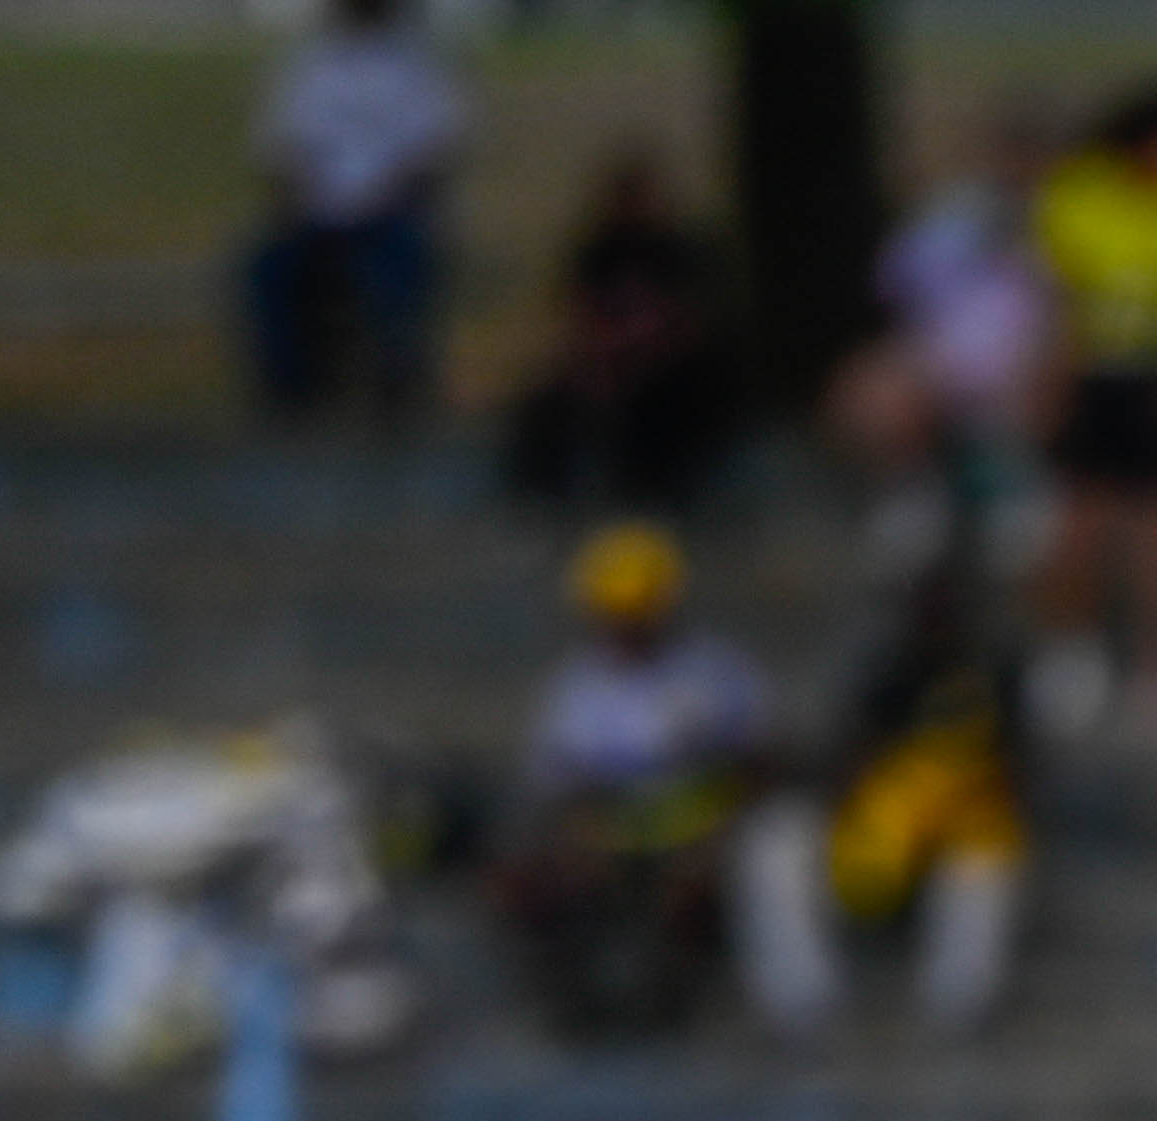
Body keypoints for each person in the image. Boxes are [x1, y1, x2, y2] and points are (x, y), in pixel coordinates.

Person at [492, 522, 814, 1040]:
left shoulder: (714, 670)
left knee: (776, 842)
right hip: (610, 836)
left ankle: (794, 1011)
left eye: (638, 611)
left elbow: (760, 763)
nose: (628, 626)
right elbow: (555, 784)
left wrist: (711, 838)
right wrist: (582, 842)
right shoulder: (577, 685)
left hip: (706, 830)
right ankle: (568, 1013)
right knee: (530, 873)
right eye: (617, 614)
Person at [1028, 91, 1157, 733]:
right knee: (1078, 527)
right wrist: (1050, 386)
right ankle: (1073, 656)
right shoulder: (1081, 193)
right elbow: (1059, 298)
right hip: (1095, 375)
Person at [770, 555, 1030, 1035]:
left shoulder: (995, 671)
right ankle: (803, 1006)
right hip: (878, 835)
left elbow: (1017, 777)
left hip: (961, 830)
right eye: (926, 606)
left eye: (947, 607)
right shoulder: (883, 671)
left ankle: (958, 1010)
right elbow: (846, 763)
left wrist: (948, 801)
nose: (936, 617)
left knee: (984, 859)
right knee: (778, 840)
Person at [837, 105, 1062, 578]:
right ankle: (915, 487)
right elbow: (901, 301)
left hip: (1035, 374)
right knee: (877, 385)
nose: (1022, 165)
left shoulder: (1069, 218)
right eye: (1014, 153)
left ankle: (1020, 486)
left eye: (1034, 155)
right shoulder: (951, 219)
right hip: (946, 374)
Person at [246, 0, 464, 430]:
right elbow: (282, 150)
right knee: (266, 269)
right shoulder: (310, 64)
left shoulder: (417, 65)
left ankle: (395, 386)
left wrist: (385, 200)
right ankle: (291, 395)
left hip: (389, 216)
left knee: (396, 270)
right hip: (318, 216)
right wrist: (301, 200)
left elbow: (435, 153)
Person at [500, 147, 736, 518]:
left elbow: (693, 322)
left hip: (669, 367)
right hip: (611, 365)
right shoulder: (599, 254)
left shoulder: (682, 252)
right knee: (549, 403)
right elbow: (580, 317)